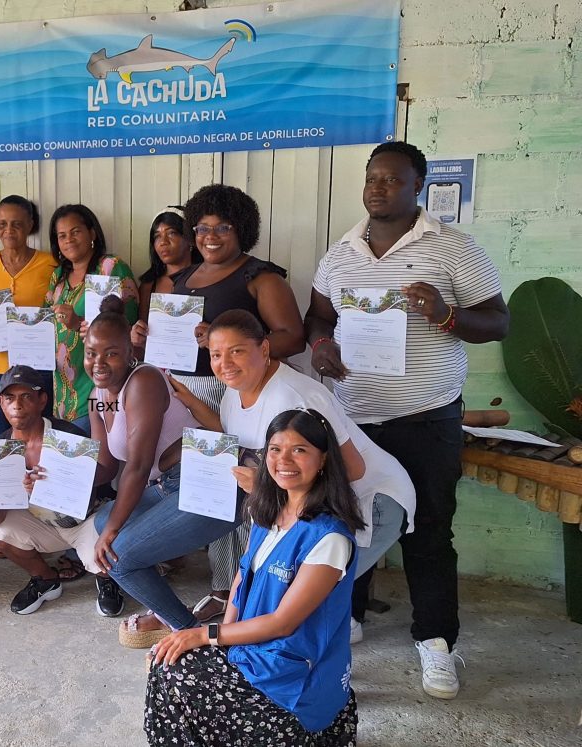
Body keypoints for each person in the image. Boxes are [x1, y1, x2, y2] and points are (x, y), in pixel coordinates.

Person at [305, 141, 509, 699]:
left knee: (429, 531)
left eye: (392, 180)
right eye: (372, 178)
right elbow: (318, 317)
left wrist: (445, 313)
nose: (377, 187)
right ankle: (348, 616)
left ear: (417, 186)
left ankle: (436, 642)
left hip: (426, 418)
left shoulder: (451, 248)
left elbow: (498, 322)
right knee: (348, 524)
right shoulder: (342, 251)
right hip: (353, 421)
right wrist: (322, 345)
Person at [175, 309, 415, 644]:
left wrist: (262, 483)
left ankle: (316, 674)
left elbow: (354, 469)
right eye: (216, 354)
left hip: (371, 500)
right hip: (319, 506)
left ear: (264, 350)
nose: (225, 363)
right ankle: (338, 630)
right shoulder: (235, 391)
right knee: (300, 596)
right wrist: (186, 399)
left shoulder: (295, 396)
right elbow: (234, 434)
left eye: (237, 351)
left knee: (296, 600)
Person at [145, 409, 362, 746]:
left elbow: (282, 623)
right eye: (275, 450)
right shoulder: (269, 514)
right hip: (254, 654)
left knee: (178, 674)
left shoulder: (328, 538)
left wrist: (206, 634)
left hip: (292, 676)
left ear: (323, 460)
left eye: (299, 450)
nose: (284, 460)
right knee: (166, 662)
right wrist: (222, 645)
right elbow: (240, 580)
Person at [166, 183, 307, 624]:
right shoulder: (184, 278)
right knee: (212, 495)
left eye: (222, 227)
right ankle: (222, 587)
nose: (210, 236)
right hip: (186, 394)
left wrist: (223, 342)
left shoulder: (260, 277)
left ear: (241, 229)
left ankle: (255, 590)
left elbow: (292, 336)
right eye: (202, 227)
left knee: (247, 494)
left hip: (235, 396)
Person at [80, 296, 237, 628]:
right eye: (91, 353)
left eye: (111, 353)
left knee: (116, 556)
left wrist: (112, 531)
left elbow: (137, 465)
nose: (99, 362)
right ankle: (168, 614)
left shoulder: (143, 381)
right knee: (103, 521)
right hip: (169, 484)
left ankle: (188, 633)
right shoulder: (99, 397)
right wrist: (47, 479)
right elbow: (106, 467)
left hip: (206, 482)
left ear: (131, 353)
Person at [0, 365, 113, 615]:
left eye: (26, 396)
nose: (17, 405)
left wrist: (53, 483)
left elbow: (102, 478)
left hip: (80, 522)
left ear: (42, 400)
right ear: (0, 402)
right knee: (1, 531)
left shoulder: (66, 435)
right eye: (10, 398)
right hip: (40, 526)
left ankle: (107, 581)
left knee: (105, 555)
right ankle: (45, 579)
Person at [0, 195, 57, 435]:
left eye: (16, 223)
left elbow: (62, 306)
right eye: (2, 224)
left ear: (30, 225)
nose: (8, 230)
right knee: (4, 438)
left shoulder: (50, 264)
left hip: (38, 366)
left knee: (42, 436)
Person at [44, 204, 139, 432]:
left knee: (96, 457)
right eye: (62, 236)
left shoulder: (110, 268)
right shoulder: (58, 276)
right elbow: (45, 321)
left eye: (76, 232)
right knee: (70, 461)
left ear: (92, 233)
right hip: (63, 392)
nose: (69, 240)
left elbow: (126, 328)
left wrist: (77, 323)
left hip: (98, 384)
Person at [131, 208, 201, 351]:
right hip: (158, 368)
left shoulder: (208, 279)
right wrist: (137, 336)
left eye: (171, 233)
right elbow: (143, 335)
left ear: (190, 239)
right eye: (157, 236)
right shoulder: (149, 285)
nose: (163, 242)